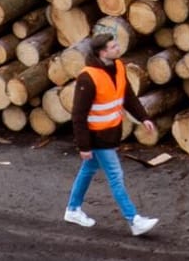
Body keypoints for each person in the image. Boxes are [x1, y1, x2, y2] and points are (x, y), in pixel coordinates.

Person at [63, 30, 160, 236]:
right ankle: (134, 220)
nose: (118, 48)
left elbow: (128, 97)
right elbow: (78, 116)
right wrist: (84, 146)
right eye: (113, 47)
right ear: (102, 53)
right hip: (97, 137)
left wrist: (144, 118)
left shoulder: (118, 67)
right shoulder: (88, 78)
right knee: (116, 175)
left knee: (88, 170)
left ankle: (72, 209)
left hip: (111, 133)